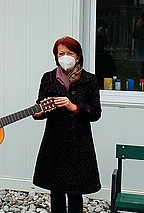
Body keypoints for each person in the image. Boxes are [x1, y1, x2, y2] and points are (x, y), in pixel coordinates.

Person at [32, 36, 102, 213]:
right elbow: (40, 105)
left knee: (75, 192)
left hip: (79, 144)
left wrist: (75, 107)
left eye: (69, 53)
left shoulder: (90, 80)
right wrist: (38, 112)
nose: (65, 56)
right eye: (60, 53)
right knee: (56, 190)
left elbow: (95, 112)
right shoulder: (48, 78)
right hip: (55, 143)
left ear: (77, 56)